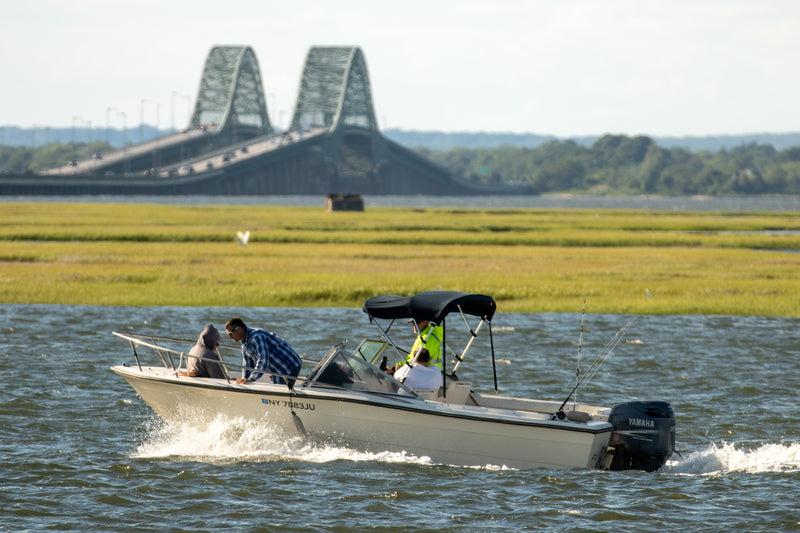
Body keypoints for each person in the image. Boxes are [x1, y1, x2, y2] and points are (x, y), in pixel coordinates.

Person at [225, 317, 302, 388]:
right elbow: (248, 365)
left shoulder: (257, 336)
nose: (229, 337)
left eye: (230, 334)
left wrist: (251, 379)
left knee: (280, 393)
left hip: (289, 365)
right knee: (274, 392)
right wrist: (243, 380)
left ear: (239, 329)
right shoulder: (244, 343)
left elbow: (263, 360)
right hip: (276, 371)